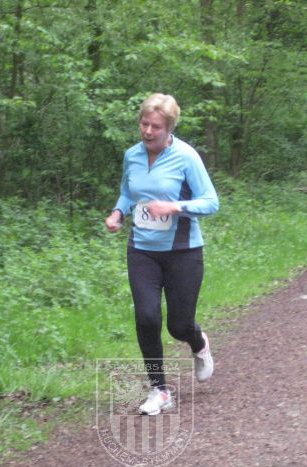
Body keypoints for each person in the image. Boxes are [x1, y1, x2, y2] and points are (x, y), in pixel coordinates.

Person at [104, 93, 219, 416]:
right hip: (142, 251)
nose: (148, 131)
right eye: (144, 124)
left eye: (155, 127)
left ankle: (198, 342)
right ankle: (159, 390)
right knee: (147, 317)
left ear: (169, 129)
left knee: (178, 326)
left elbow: (211, 202)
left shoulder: (186, 157)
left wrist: (174, 207)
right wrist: (118, 213)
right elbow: (128, 193)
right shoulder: (132, 155)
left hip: (183, 252)